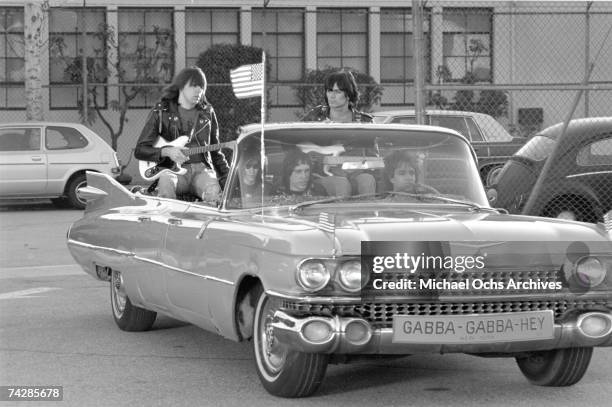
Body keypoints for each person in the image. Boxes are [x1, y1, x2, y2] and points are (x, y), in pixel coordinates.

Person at [134, 66, 229, 201]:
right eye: (194, 86)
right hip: (172, 171)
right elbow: (140, 150)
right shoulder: (162, 112)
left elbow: (215, 152)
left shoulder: (207, 112)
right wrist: (167, 152)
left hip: (202, 171)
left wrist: (228, 178)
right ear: (181, 87)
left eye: (201, 87)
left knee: (214, 192)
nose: (199, 91)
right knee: (166, 184)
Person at [301, 70, 374, 123]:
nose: (332, 96)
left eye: (337, 92)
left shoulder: (364, 121)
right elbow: (296, 139)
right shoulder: (315, 115)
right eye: (329, 91)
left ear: (349, 95)